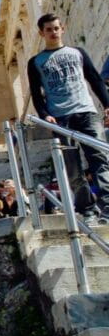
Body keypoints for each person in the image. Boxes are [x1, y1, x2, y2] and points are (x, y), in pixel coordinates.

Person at [28, 13, 109, 225]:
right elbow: (36, 94)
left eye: (56, 28)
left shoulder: (78, 52)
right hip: (60, 118)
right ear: (41, 33)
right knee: (72, 168)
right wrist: (45, 115)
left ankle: (108, 206)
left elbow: (95, 79)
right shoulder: (35, 62)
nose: (53, 32)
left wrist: (107, 104)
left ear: (62, 28)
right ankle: (87, 209)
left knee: (100, 160)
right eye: (48, 30)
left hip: (87, 112)